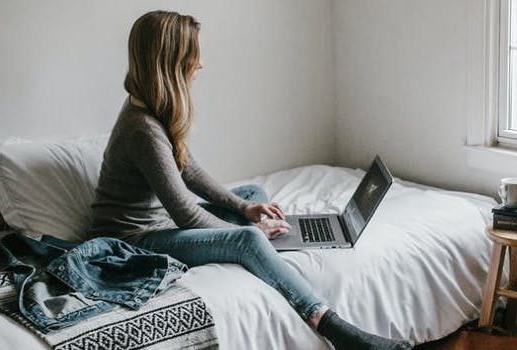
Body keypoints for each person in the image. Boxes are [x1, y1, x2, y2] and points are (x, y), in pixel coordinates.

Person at [87, 10, 411, 350]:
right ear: (171, 61)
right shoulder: (143, 130)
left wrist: (245, 206)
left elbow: (189, 170)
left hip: (159, 223)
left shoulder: (153, 109)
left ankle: (264, 247)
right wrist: (249, 233)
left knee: (254, 194)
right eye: (193, 55)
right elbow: (184, 213)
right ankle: (334, 327)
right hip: (132, 241)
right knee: (248, 240)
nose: (201, 64)